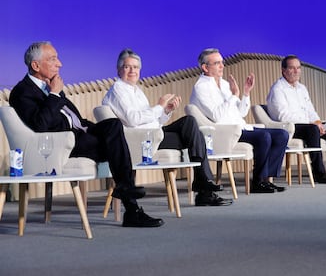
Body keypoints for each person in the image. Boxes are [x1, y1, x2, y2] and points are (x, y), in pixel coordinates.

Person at [9, 41, 164, 228]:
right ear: (35, 65)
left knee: (114, 126)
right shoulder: (22, 92)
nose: (60, 64)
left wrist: (92, 127)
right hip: (65, 143)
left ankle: (126, 192)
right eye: (53, 59)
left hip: (82, 134)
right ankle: (131, 207)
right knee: (118, 146)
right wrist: (55, 95)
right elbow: (40, 125)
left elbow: (77, 120)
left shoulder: (51, 86)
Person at [102, 48, 232, 207]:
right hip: (140, 139)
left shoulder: (136, 90)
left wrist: (166, 111)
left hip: (152, 134)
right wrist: (159, 106)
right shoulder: (118, 89)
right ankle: (204, 187)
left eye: (136, 67)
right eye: (127, 67)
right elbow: (133, 120)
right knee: (192, 136)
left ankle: (203, 183)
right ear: (118, 69)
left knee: (189, 123)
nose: (132, 71)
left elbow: (154, 122)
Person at [190, 48, 289, 193]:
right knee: (264, 136)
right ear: (205, 67)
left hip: (240, 127)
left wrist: (245, 93)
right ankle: (257, 182)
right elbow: (217, 116)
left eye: (222, 62)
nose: (222, 66)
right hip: (225, 132)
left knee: (282, 135)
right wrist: (233, 95)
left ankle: (266, 178)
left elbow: (241, 112)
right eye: (217, 63)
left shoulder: (224, 84)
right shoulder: (201, 88)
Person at [266, 55, 326, 183]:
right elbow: (283, 116)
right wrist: (312, 124)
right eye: (292, 68)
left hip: (309, 125)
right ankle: (319, 172)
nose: (296, 71)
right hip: (289, 127)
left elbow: (310, 110)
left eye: (298, 68)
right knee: (313, 129)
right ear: (283, 70)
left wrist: (318, 122)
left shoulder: (302, 88)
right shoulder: (278, 89)